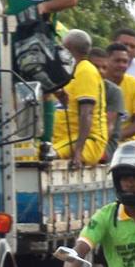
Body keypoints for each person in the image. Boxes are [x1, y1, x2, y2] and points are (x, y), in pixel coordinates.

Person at [51, 29, 107, 167]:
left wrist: (78, 152)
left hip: (88, 141)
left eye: (62, 46)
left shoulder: (86, 71)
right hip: (65, 140)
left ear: (68, 47)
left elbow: (86, 113)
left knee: (44, 156)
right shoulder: (69, 70)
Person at [105, 43, 135, 143]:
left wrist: (115, 137)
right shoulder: (96, 82)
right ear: (106, 61)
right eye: (117, 61)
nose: (121, 65)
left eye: (125, 62)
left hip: (125, 144)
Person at [89, 47, 125, 161]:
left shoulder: (113, 91)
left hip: (103, 145)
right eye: (96, 67)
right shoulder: (75, 86)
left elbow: (108, 129)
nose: (100, 71)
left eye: (104, 68)